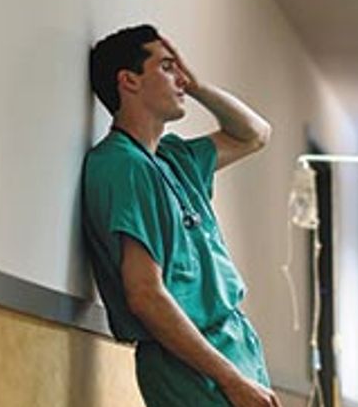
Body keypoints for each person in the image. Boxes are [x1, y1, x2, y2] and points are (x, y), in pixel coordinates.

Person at [81, 25, 281, 407]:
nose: (181, 79)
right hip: (194, 369)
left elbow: (255, 134)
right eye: (168, 67)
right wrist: (231, 380)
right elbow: (145, 294)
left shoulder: (173, 161)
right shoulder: (123, 167)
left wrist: (199, 86)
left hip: (233, 353)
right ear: (129, 81)